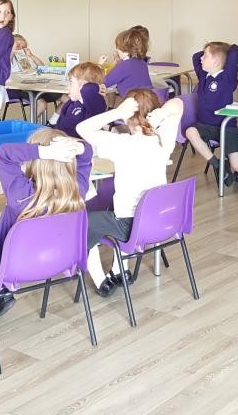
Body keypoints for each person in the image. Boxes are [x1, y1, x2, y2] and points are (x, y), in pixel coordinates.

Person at [0, 130, 92, 327]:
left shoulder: (22, 196)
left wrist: (44, 152)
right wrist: (77, 147)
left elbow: (4, 153)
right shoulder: (78, 192)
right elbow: (87, 156)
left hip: (9, 267)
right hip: (55, 260)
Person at [76, 90, 183, 296]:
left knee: (82, 223)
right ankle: (120, 271)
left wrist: (115, 112)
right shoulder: (163, 140)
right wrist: (162, 114)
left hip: (130, 227)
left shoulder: (121, 144)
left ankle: (101, 282)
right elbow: (178, 104)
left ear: (128, 115)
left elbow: (82, 128)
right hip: (160, 222)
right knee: (116, 208)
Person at [184, 41, 238, 184]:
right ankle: (218, 165)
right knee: (190, 131)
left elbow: (235, 50)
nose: (201, 58)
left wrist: (222, 50)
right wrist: (209, 49)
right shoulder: (204, 76)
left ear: (216, 61)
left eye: (206, 56)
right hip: (205, 127)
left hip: (227, 128)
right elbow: (195, 57)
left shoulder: (228, 78)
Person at [51, 61, 108, 138]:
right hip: (61, 136)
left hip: (74, 143)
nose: (69, 87)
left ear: (84, 85)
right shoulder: (76, 102)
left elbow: (89, 89)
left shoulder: (90, 101)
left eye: (71, 83)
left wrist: (94, 87)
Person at [101, 26, 153, 97]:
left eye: (117, 47)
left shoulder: (124, 65)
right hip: (148, 101)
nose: (116, 50)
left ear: (123, 49)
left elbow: (104, 81)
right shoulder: (142, 62)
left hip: (132, 103)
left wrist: (99, 65)